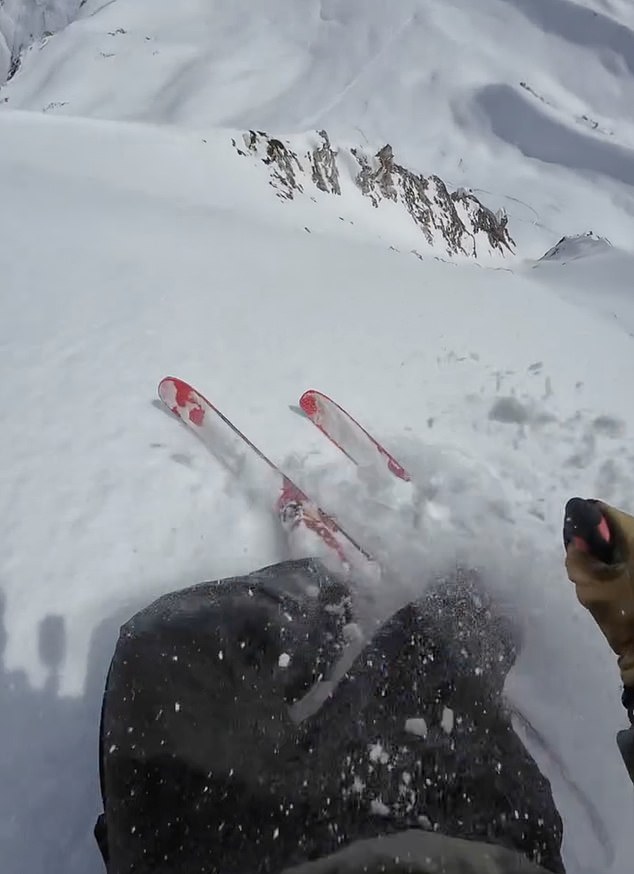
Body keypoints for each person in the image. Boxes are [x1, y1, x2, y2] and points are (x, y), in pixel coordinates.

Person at [92, 495, 634, 874]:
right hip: (442, 848)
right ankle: (330, 597)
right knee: (437, 648)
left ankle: (447, 608)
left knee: (162, 649)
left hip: (279, 850)